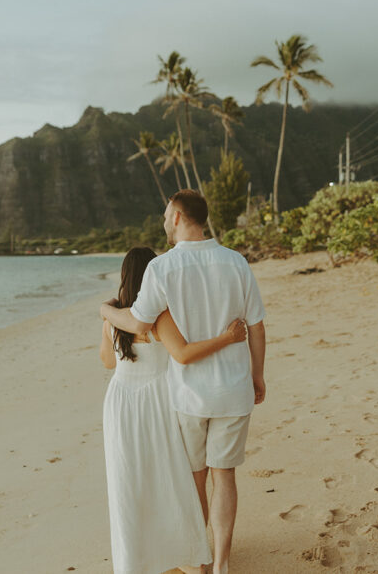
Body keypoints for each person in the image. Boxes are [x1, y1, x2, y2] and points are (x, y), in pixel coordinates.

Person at [102, 190, 267, 574]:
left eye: (165, 216)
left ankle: (200, 561)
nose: (163, 223)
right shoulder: (236, 262)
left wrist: (105, 311)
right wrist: (258, 375)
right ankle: (223, 563)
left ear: (177, 216)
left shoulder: (163, 268)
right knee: (225, 476)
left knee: (195, 480)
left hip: (189, 395)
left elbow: (140, 323)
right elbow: (256, 325)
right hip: (234, 389)